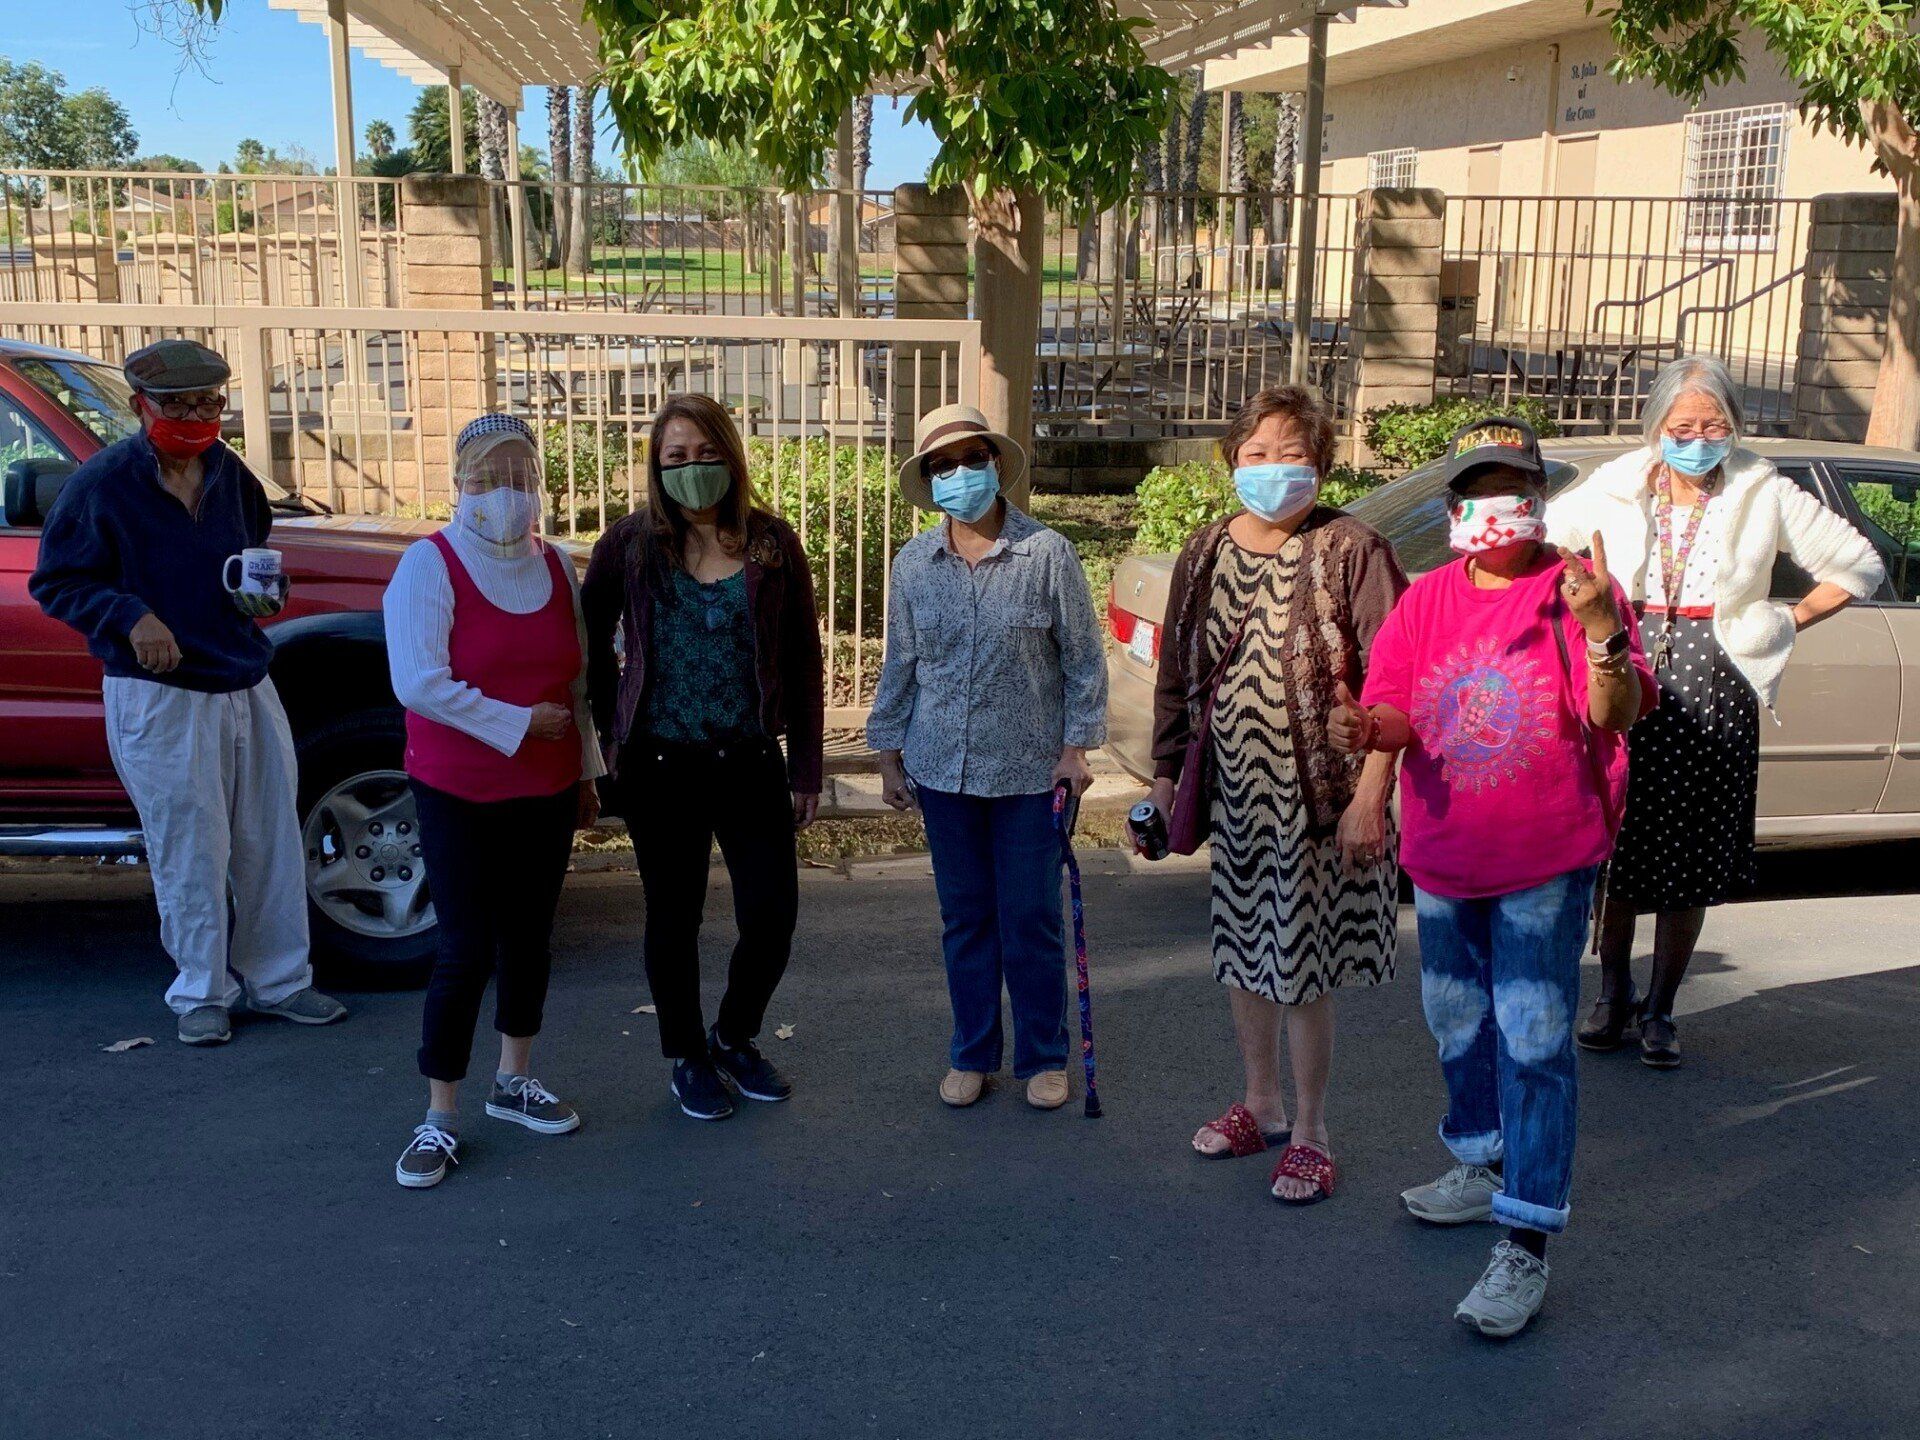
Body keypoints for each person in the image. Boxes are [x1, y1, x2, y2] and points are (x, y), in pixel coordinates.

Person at [1334, 416, 1655, 1338]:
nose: (1494, 506)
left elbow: (1616, 714)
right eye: (1476, 490)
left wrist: (1601, 631)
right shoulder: (1426, 598)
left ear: (1540, 498)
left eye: (1512, 487)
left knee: (1535, 1039)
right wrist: (1368, 749)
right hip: (1444, 855)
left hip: (1544, 860)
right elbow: (1396, 707)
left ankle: (1525, 1239)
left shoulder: (1578, 590)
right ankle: (1480, 1161)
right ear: (1452, 506)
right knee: (1456, 1019)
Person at [1550, 356, 1885, 1067]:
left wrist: (1784, 621)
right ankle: (1612, 992)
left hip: (1717, 679)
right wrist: (1589, 605)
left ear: (1734, 426)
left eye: (1714, 425)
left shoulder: (1762, 488)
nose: (1698, 439)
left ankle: (1662, 1008)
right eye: (1683, 426)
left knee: (1692, 854)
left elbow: (1858, 564)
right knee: (1618, 844)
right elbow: (1549, 545)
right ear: (1656, 426)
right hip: (1625, 666)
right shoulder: (1617, 485)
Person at [29, 338, 345, 1046]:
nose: (197, 418)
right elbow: (57, 581)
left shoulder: (231, 475)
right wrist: (129, 616)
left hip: (244, 677)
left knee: (270, 839)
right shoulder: (104, 484)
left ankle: (281, 981)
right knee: (190, 847)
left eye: (209, 403)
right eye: (179, 406)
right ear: (141, 406)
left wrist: (265, 595)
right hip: (158, 692)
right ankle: (202, 991)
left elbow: (255, 552)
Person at [1141, 385, 1407, 1203]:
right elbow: (1178, 675)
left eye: (1292, 453)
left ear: (1321, 465)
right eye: (1256, 453)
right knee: (1244, 953)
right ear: (1232, 461)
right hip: (1236, 794)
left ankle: (1313, 1130)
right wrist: (1164, 780)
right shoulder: (1206, 549)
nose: (1273, 468)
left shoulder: (1353, 548)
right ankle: (1260, 1103)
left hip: (1320, 800)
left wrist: (1370, 797)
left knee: (1300, 964)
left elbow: (1397, 681)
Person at [583, 394, 823, 1123]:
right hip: (661, 765)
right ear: (658, 467)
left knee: (772, 915)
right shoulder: (628, 546)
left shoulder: (771, 543)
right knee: (673, 915)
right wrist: (608, 741)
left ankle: (734, 1035)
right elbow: (590, 649)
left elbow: (803, 659)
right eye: (676, 456)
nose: (693, 468)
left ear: (731, 456)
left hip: (749, 759)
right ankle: (687, 1054)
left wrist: (806, 767)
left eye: (706, 453)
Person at [384, 414, 604, 1189]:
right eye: (489, 475)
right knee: (465, 949)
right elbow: (417, 682)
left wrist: (586, 774)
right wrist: (515, 723)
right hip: (460, 789)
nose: (506, 490)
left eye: (521, 475)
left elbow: (576, 682)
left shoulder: (556, 565)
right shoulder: (428, 564)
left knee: (530, 939)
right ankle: (439, 1113)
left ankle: (514, 1080)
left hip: (546, 788)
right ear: (459, 482)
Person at [868, 404, 1108, 1112]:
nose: (960, 473)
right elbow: (901, 664)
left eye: (972, 458)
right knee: (965, 920)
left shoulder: (1048, 554)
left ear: (996, 464)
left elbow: (1083, 661)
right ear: (927, 480)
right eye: (942, 465)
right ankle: (972, 1052)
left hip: (1032, 774)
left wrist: (1075, 750)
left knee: (1030, 920)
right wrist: (888, 755)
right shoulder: (913, 565)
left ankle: (1043, 1055)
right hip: (943, 772)